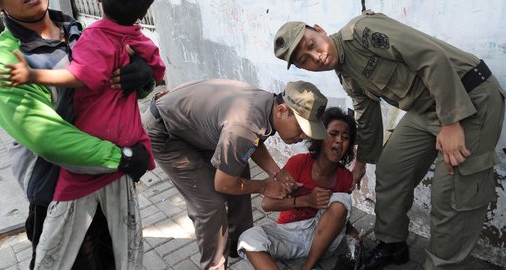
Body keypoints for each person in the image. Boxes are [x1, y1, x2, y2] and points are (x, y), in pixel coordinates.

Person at [273, 10, 505, 270]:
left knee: (450, 196)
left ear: (319, 29)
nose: (317, 57)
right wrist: (359, 164)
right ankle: (392, 244)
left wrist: (451, 122)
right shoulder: (345, 73)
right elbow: (367, 116)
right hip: (426, 109)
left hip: (470, 96)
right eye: (306, 60)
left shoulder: (362, 31)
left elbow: (431, 57)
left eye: (312, 45)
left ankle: (442, 266)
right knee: (391, 168)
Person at [0, 0, 154, 269]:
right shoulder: (5, 61)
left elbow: (112, 90)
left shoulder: (79, 31)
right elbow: (47, 138)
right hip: (58, 193)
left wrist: (143, 79)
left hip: (109, 180)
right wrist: (123, 157)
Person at [143, 79, 328, 269]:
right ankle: (214, 266)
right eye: (302, 128)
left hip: (195, 127)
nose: (304, 137)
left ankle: (237, 244)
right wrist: (264, 186)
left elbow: (253, 141)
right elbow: (223, 183)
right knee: (211, 206)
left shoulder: (268, 105)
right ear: (282, 111)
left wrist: (277, 173)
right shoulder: (245, 124)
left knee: (240, 176)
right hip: (166, 133)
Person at [237, 107, 358, 270]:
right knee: (248, 238)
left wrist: (351, 230)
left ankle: (307, 267)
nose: (339, 141)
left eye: (345, 138)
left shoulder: (345, 177)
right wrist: (305, 200)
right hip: (290, 234)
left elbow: (339, 213)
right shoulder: (299, 163)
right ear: (320, 138)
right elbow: (267, 204)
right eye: (333, 134)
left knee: (342, 199)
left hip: (322, 241)